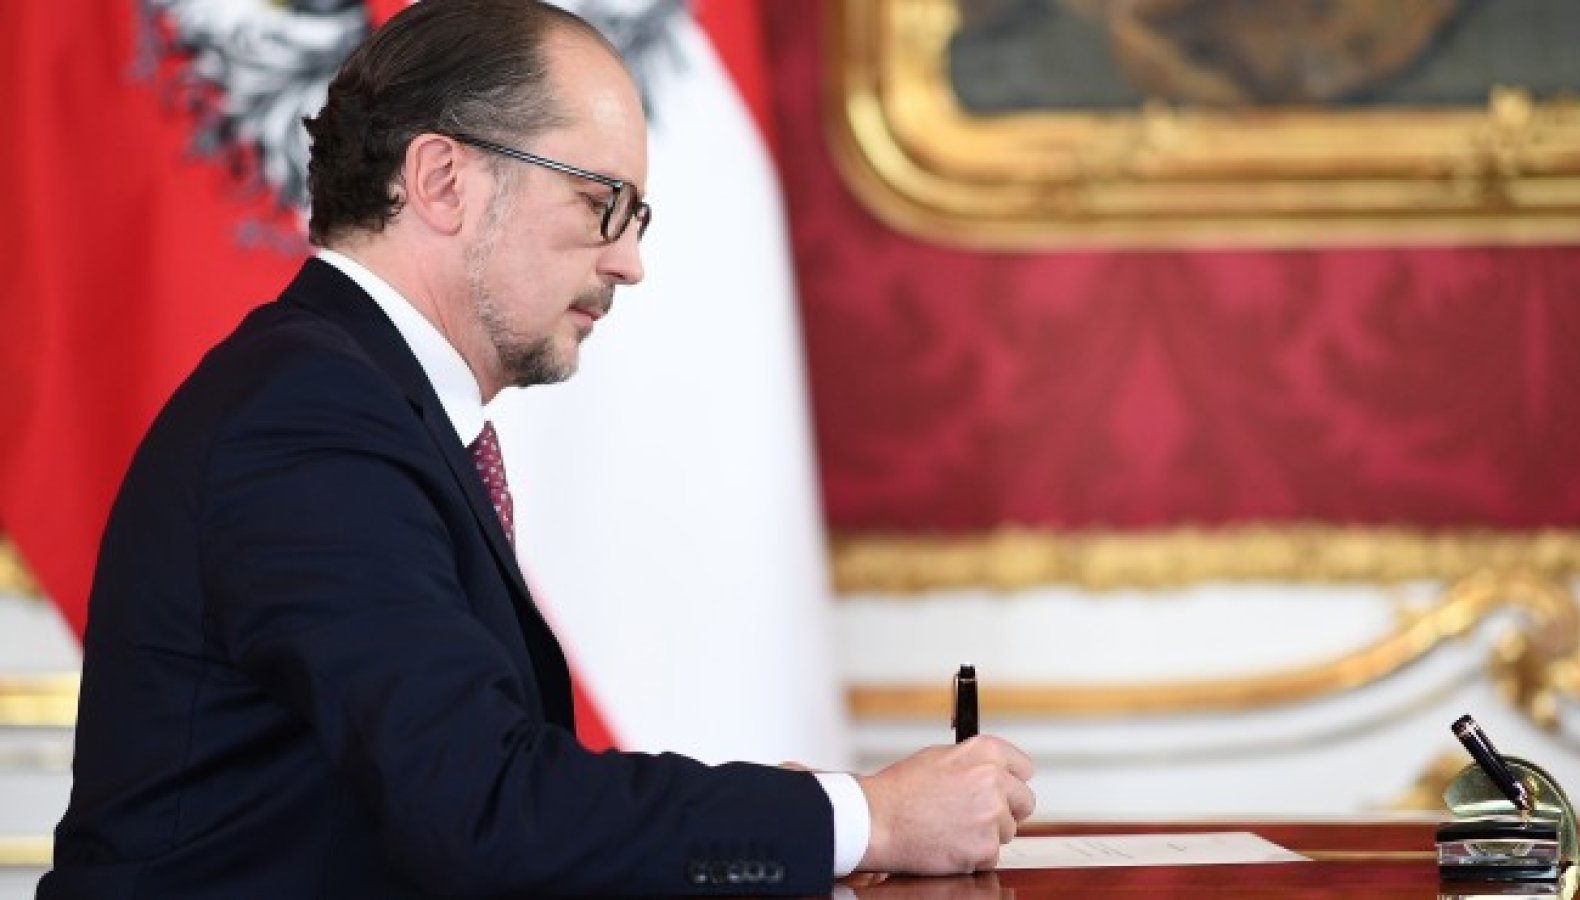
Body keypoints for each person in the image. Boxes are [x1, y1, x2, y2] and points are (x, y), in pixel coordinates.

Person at [38, 1, 1035, 896]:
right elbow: (485, 814)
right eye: (602, 204)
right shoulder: (309, 425)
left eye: (635, 217)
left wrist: (785, 818)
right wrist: (866, 817)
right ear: (443, 181)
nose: (629, 263)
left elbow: (463, 797)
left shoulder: (354, 396)